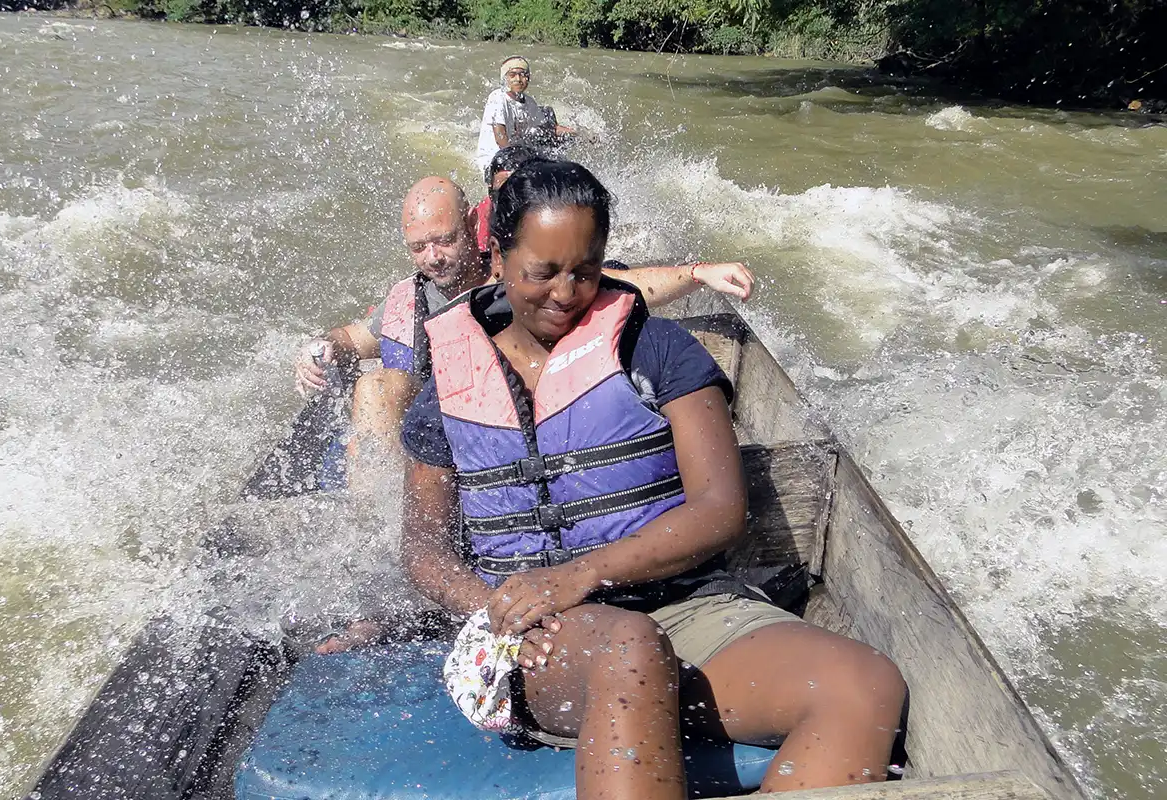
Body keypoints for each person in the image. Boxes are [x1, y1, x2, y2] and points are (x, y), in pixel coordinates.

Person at [399, 160, 906, 798]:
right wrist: (497, 610)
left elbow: (720, 507)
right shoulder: (446, 385)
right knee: (630, 649)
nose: (565, 293)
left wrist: (581, 573)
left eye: (584, 270)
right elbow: (422, 543)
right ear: (497, 257)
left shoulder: (658, 349)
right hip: (551, 640)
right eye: (542, 272)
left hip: (690, 610)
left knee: (864, 686)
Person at [294, 176, 757, 457]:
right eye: (419, 247)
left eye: (445, 240)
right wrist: (322, 346)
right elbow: (353, 337)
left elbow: (622, 285)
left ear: (474, 225)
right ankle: (379, 535)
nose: (433, 257)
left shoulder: (518, 277)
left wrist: (697, 273)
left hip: (512, 425)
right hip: (434, 444)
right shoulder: (405, 299)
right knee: (374, 388)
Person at [475, 56, 574, 175]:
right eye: (512, 75)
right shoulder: (497, 98)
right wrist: (522, 160)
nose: (518, 79)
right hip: (495, 161)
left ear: (529, 78)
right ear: (504, 78)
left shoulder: (529, 102)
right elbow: (500, 137)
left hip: (515, 156)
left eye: (523, 75)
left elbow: (549, 129)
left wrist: (580, 134)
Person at [474, 144, 543, 252]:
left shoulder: (549, 217)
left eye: (516, 192)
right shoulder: (481, 217)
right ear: (490, 190)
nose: (508, 202)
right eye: (501, 193)